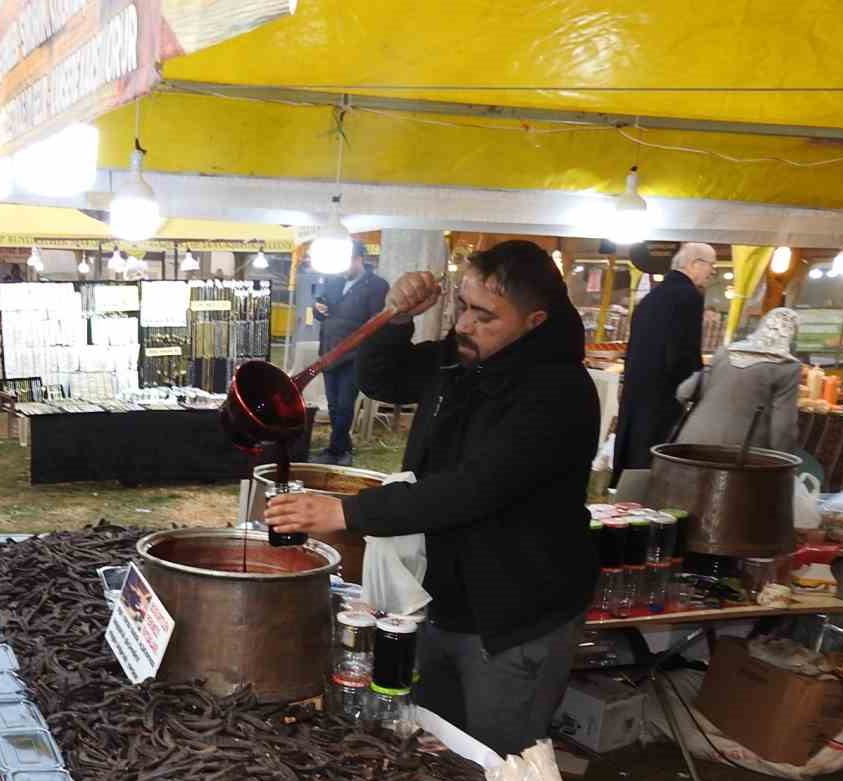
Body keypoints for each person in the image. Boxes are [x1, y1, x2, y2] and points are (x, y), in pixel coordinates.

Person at [267, 240, 598, 754]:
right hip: (444, 597)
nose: (464, 324)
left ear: (534, 320)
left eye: (484, 315)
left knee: (496, 764)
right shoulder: (463, 357)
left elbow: (476, 487)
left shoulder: (557, 392)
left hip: (513, 616)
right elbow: (383, 378)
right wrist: (396, 319)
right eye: (462, 305)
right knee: (434, 748)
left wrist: (347, 512)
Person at [613, 242, 716, 477]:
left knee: (633, 452)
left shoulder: (652, 297)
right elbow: (684, 349)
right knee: (654, 457)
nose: (711, 272)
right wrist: (695, 385)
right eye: (711, 266)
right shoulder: (688, 296)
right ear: (695, 264)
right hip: (663, 393)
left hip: (636, 388)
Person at [674, 308, 802, 451]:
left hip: (692, 441)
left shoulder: (725, 352)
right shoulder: (787, 367)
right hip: (741, 454)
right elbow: (783, 427)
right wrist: (785, 457)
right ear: (791, 334)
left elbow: (684, 392)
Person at [311, 242, 389, 465]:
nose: (343, 268)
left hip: (355, 355)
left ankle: (337, 450)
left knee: (345, 403)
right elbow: (321, 311)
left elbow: (377, 322)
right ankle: (340, 448)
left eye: (347, 262)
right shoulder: (334, 281)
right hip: (329, 353)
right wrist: (319, 309)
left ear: (359, 259)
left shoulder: (377, 286)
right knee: (334, 404)